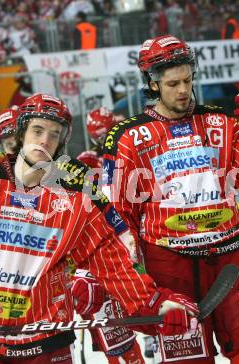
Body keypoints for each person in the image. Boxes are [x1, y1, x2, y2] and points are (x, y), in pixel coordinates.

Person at [0, 93, 199, 363]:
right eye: (37, 131)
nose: (45, 140)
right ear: (20, 134)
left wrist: (152, 304)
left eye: (54, 135)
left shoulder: (75, 201)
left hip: (47, 347)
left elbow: (113, 263)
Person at [101, 35, 239, 363]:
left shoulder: (221, 122)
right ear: (152, 84)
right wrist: (142, 285)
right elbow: (117, 218)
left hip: (231, 258)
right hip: (170, 266)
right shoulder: (127, 137)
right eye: (173, 83)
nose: (183, 90)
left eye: (187, 80)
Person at [74, 107, 145, 364]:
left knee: (149, 300)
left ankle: (152, 340)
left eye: (107, 135)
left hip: (133, 239)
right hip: (103, 253)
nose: (104, 142)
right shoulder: (85, 163)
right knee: (115, 335)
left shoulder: (128, 153)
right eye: (99, 138)